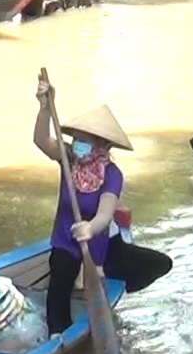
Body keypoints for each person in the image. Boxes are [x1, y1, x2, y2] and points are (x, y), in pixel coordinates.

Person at [31, 88, 173, 335]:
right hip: (65, 238)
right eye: (76, 139)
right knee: (61, 272)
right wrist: (45, 106)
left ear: (102, 145)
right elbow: (41, 140)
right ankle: (58, 332)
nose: (78, 145)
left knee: (160, 263)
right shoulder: (68, 159)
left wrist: (90, 227)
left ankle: (100, 276)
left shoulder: (112, 175)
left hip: (98, 242)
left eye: (85, 141)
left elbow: (105, 215)